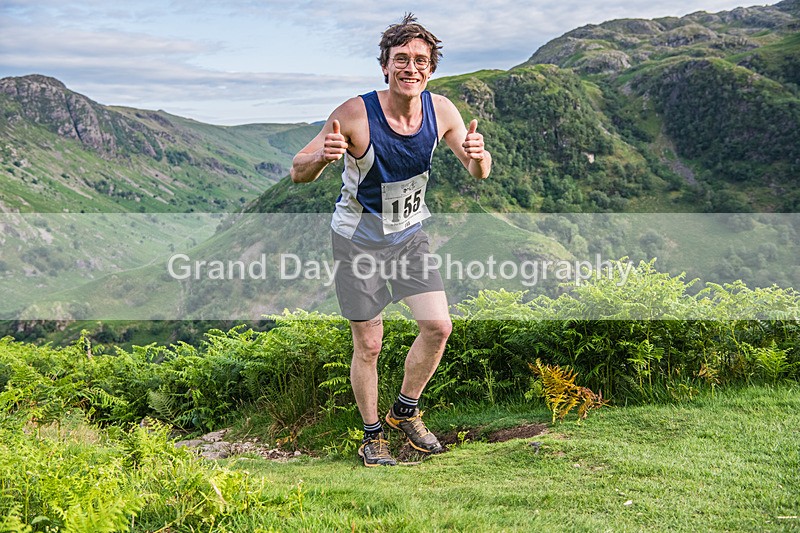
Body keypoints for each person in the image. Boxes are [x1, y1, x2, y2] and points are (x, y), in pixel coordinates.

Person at [290, 13, 491, 467]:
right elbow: (297, 170)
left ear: (431, 69)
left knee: (439, 327)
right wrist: (322, 157)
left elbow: (477, 169)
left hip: (409, 238)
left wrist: (480, 158)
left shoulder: (441, 111)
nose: (411, 68)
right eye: (401, 59)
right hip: (357, 243)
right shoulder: (355, 113)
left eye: (420, 60)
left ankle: (405, 412)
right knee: (370, 344)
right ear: (385, 65)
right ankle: (371, 434)